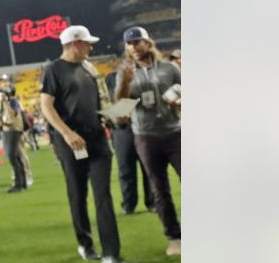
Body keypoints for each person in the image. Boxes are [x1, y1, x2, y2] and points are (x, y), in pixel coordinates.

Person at [40, 25, 124, 263]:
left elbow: (99, 104)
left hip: (96, 138)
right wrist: (66, 134)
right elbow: (46, 106)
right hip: (71, 142)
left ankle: (110, 253)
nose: (91, 46)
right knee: (78, 195)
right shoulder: (53, 70)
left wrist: (115, 114)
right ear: (75, 43)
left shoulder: (89, 68)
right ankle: (85, 244)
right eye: (87, 42)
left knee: (103, 195)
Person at [115, 26, 182, 257]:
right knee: (159, 189)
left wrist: (180, 102)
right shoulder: (124, 72)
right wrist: (125, 83)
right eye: (129, 44)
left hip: (175, 132)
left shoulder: (169, 68)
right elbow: (120, 111)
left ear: (148, 42)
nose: (133, 47)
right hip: (145, 136)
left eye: (137, 42)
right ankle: (175, 237)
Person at [104, 64, 155, 215]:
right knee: (125, 168)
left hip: (144, 126)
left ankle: (152, 202)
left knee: (148, 167)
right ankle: (129, 204)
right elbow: (113, 101)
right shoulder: (111, 78)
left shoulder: (146, 76)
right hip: (123, 128)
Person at [0, 90, 28, 192]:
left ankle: (18, 184)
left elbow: (13, 114)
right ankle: (22, 183)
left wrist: (5, 103)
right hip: (12, 130)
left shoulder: (12, 101)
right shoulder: (12, 101)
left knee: (12, 157)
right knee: (16, 157)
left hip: (13, 131)